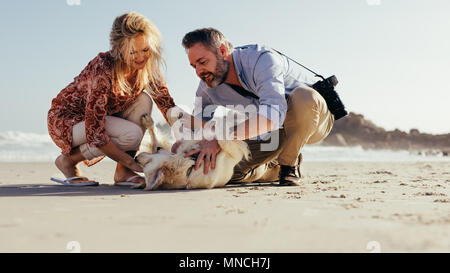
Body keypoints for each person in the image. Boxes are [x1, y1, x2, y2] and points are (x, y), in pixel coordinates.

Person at [179, 28, 334, 186]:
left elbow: (273, 114)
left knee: (305, 97)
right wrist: (185, 145)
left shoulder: (262, 59)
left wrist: (221, 138)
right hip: (267, 129)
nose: (198, 72)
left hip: (312, 119)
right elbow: (198, 123)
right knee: (223, 172)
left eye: (203, 62)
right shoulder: (206, 87)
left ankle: (289, 164)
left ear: (223, 51)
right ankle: (271, 169)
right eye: (194, 66)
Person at [47, 12, 175, 186]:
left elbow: (167, 105)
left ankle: (122, 173)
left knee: (144, 100)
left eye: (145, 50)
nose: (140, 57)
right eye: (132, 52)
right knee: (131, 134)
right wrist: (131, 162)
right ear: (119, 49)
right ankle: (67, 161)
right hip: (66, 120)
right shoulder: (103, 68)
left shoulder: (147, 65)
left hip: (98, 120)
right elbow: (95, 132)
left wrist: (190, 141)